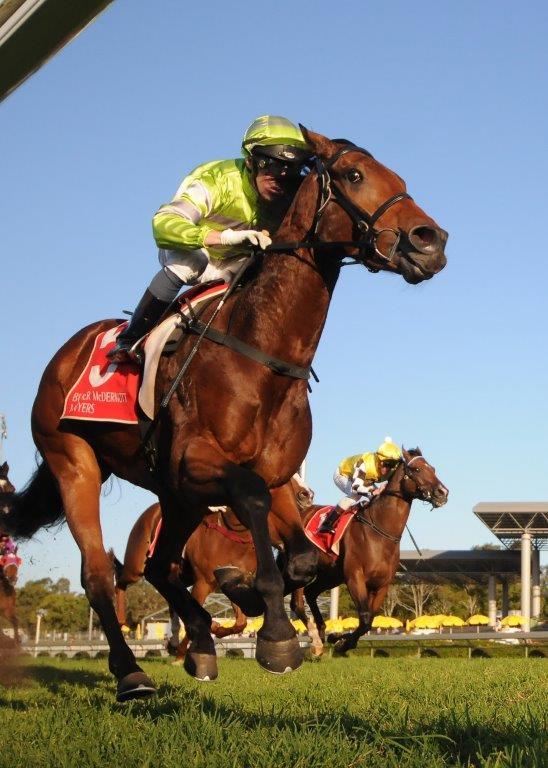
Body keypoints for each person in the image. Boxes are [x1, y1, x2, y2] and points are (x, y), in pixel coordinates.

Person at [108, 115, 313, 362]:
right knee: (191, 261)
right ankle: (130, 339)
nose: (279, 178)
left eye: (290, 170)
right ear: (251, 161)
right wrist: (224, 238)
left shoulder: (289, 198)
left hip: (234, 267)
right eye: (270, 165)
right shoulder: (216, 178)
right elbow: (163, 224)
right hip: (193, 252)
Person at [317, 437, 402, 534]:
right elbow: (355, 487)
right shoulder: (365, 464)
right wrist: (372, 491)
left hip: (366, 480)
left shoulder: (392, 468)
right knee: (355, 496)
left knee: (379, 497)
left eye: (392, 465)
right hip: (343, 475)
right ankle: (327, 523)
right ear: (378, 460)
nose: (388, 468)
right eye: (386, 464)